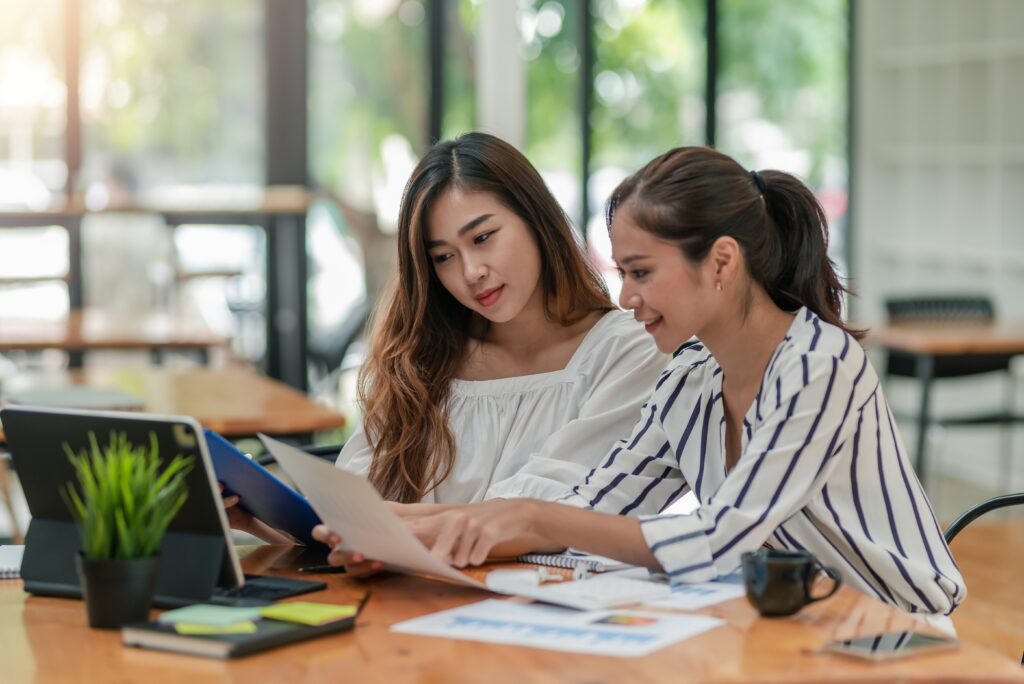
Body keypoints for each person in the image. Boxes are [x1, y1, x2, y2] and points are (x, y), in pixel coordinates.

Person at [333, 145, 963, 622]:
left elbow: (717, 538)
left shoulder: (818, 366)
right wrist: (398, 529)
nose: (626, 298)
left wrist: (526, 515)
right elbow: (588, 507)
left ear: (720, 262)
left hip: (899, 631)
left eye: (640, 272)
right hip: (795, 623)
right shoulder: (689, 379)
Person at [231, 132, 667, 543]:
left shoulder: (629, 351)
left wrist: (374, 523)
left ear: (536, 219)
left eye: (483, 237)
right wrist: (262, 522)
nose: (470, 272)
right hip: (412, 609)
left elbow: (541, 515)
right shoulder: (423, 360)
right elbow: (350, 526)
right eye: (443, 256)